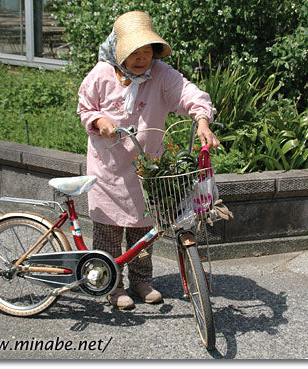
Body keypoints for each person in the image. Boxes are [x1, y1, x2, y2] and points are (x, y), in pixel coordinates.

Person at [77, 11, 220, 309]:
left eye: (146, 51)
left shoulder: (162, 75)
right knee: (108, 231)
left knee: (144, 229)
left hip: (146, 170)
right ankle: (112, 284)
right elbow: (85, 108)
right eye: (133, 52)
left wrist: (203, 120)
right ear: (119, 50)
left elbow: (190, 94)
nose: (141, 58)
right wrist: (99, 120)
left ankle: (141, 280)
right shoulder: (100, 75)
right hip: (107, 169)